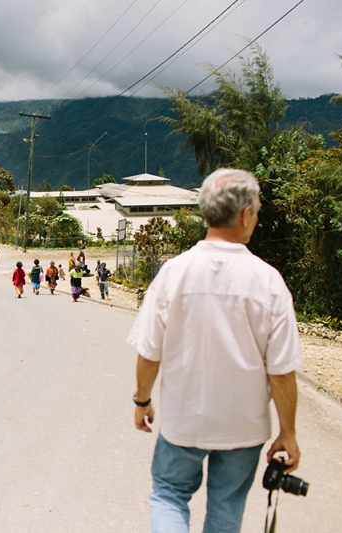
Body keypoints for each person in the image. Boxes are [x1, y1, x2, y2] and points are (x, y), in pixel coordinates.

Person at [127, 168, 303, 533]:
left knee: (169, 495)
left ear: (206, 213)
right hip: (243, 428)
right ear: (245, 215)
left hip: (183, 422)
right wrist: (288, 432)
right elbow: (282, 371)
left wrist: (142, 401)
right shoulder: (268, 281)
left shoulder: (174, 273)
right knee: (226, 509)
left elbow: (149, 353)